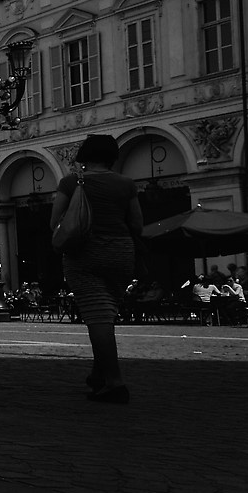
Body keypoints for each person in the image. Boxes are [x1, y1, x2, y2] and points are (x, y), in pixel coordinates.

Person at [50, 132, 146, 403]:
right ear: (112, 157)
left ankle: (115, 382)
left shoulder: (71, 183)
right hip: (121, 253)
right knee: (106, 313)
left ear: (84, 156)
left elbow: (55, 221)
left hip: (84, 253)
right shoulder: (126, 184)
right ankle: (99, 376)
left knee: (98, 318)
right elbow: (137, 225)